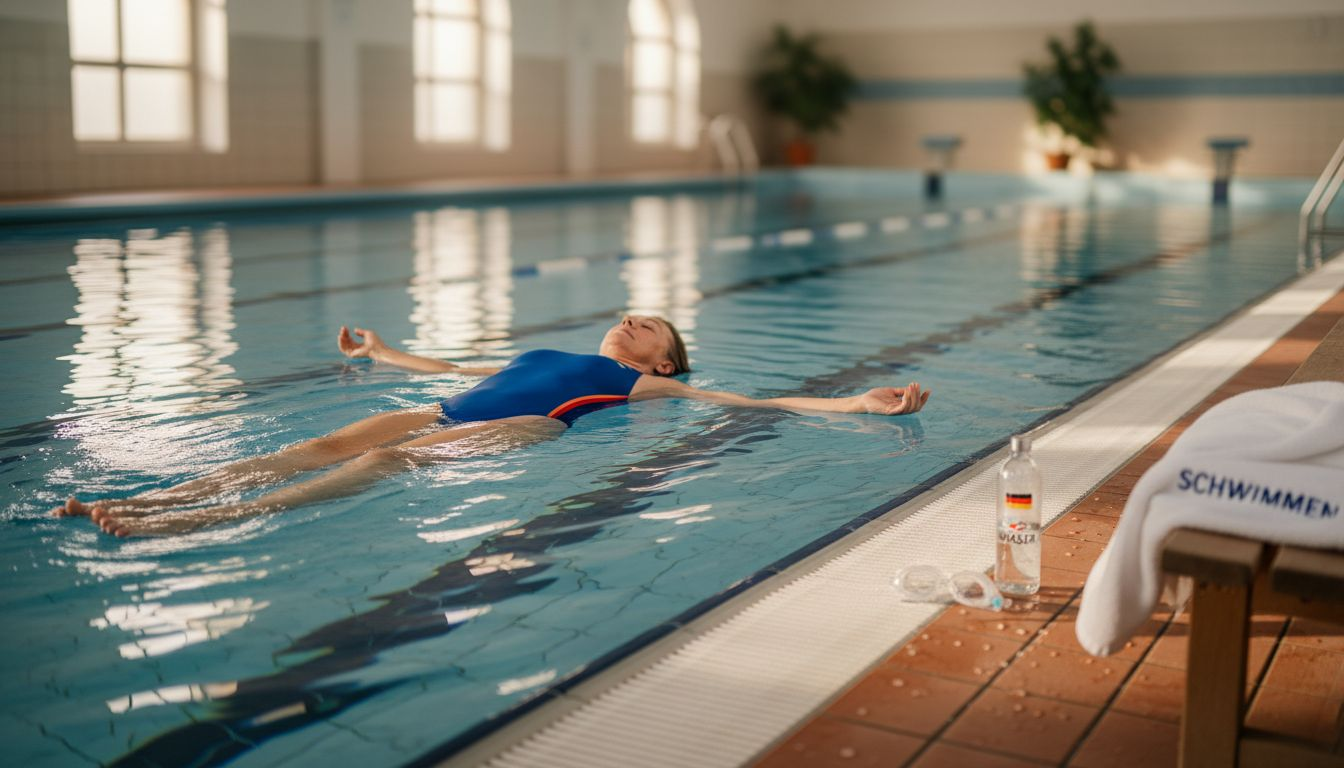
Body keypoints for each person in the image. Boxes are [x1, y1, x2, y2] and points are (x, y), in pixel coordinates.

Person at [55, 316, 930, 536]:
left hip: (530, 433)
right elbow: (454, 373)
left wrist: (856, 403)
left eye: (650, 327)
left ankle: (211, 519)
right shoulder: (544, 347)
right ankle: (167, 498)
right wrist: (387, 353)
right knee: (318, 445)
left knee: (390, 461)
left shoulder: (642, 388)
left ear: (664, 362)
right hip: (444, 407)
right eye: (630, 317)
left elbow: (759, 406)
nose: (631, 324)